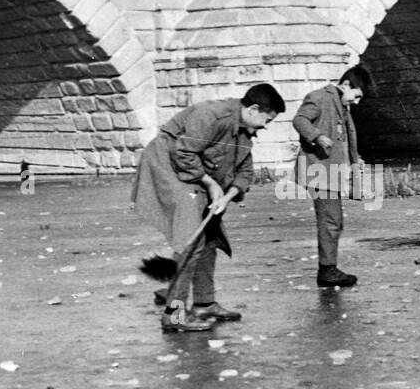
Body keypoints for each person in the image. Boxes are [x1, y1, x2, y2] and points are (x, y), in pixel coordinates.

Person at [131, 83, 285, 332]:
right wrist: (212, 185)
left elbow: (245, 172)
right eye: (266, 120)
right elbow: (183, 153)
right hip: (168, 166)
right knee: (190, 241)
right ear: (254, 109)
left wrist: (227, 196)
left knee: (211, 233)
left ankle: (204, 303)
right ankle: (175, 316)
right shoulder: (212, 115)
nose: (265, 126)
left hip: (197, 173)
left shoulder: (244, 131)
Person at [292, 65, 372, 288]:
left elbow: (343, 138)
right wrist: (316, 136)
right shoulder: (319, 97)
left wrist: (355, 159)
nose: (356, 102)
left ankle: (328, 267)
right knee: (330, 220)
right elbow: (300, 120)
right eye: (356, 95)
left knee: (334, 220)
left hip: (331, 170)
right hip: (318, 169)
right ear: (346, 85)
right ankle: (327, 270)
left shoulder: (341, 105)